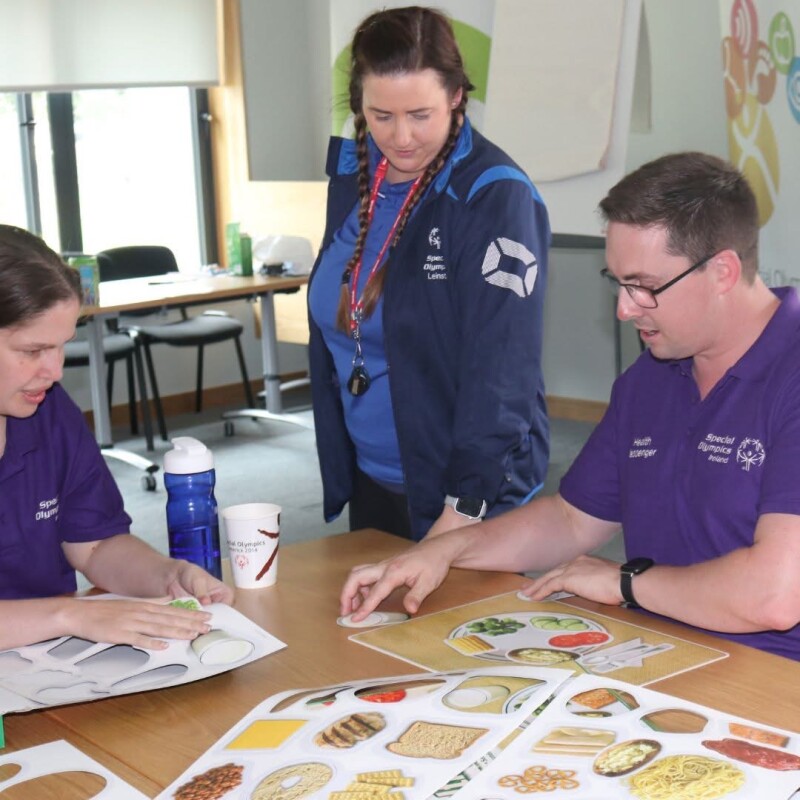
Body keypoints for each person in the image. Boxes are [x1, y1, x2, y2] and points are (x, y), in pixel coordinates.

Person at [340, 151, 800, 661]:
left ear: (723, 272)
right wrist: (443, 550)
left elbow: (775, 596)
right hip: (663, 655)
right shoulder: (650, 377)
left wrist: (627, 584)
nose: (625, 309)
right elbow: (572, 519)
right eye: (617, 282)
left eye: (645, 287)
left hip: (776, 683)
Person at [308, 6, 550, 541]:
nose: (401, 138)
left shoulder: (494, 195)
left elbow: (502, 373)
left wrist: (463, 507)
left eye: (421, 114)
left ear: (457, 95)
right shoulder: (352, 175)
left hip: (462, 492)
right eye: (381, 115)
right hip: (375, 478)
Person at [0, 224, 233, 651]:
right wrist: (69, 614)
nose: (54, 372)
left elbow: (94, 545)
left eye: (62, 346)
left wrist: (165, 574)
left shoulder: (48, 411)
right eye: (32, 351)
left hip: (45, 662)